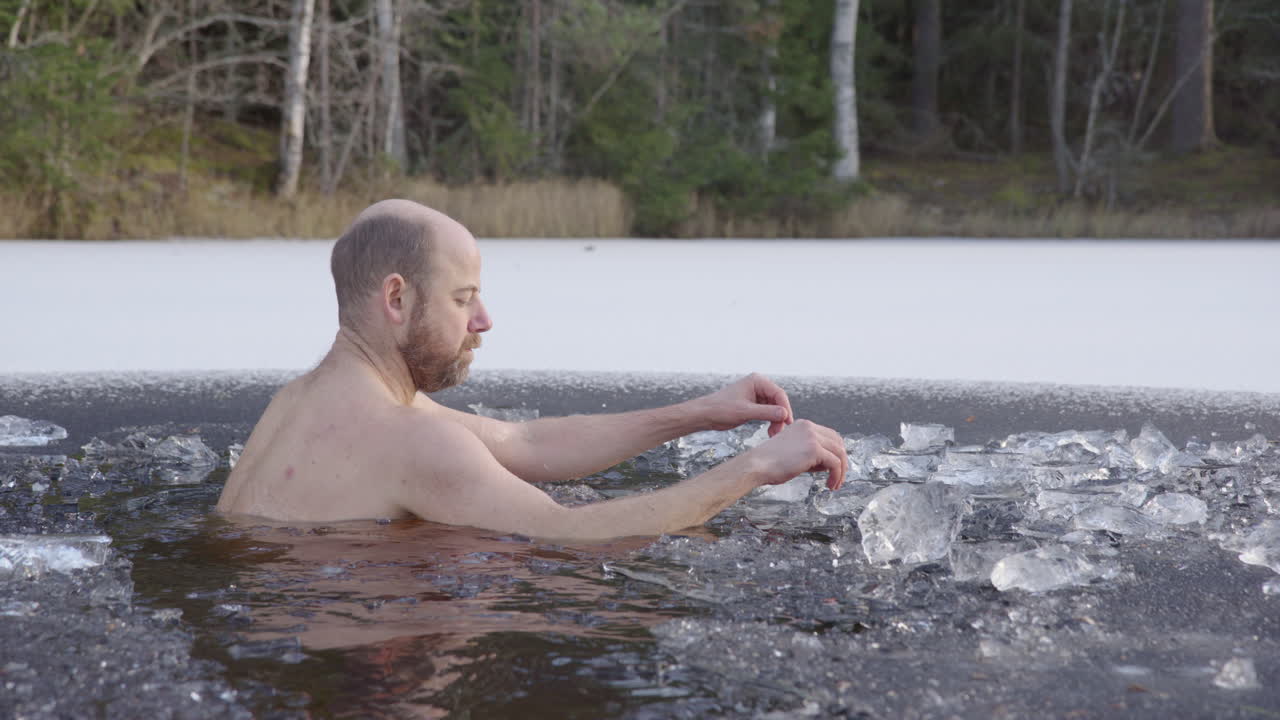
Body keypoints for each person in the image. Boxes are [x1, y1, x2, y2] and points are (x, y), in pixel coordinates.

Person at [216, 199, 847, 540]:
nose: (484, 320)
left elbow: (525, 443)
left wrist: (701, 413)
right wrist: (755, 467)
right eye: (463, 298)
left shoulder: (300, 401)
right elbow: (572, 533)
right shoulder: (406, 438)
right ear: (398, 298)